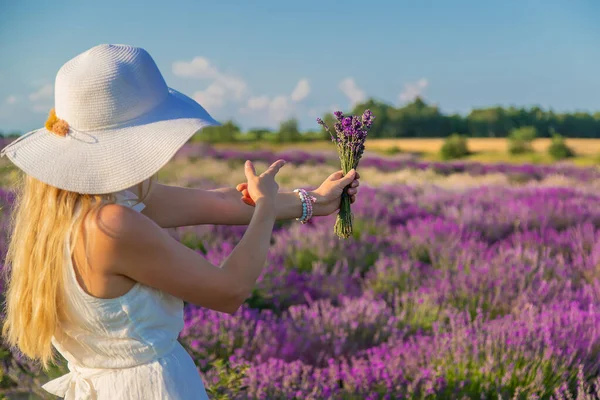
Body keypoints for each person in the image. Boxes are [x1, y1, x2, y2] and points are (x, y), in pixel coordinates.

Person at [0, 44, 360, 399]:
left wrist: (313, 200)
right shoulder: (112, 225)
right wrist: (265, 209)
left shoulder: (63, 213)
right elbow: (229, 290)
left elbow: (219, 202)